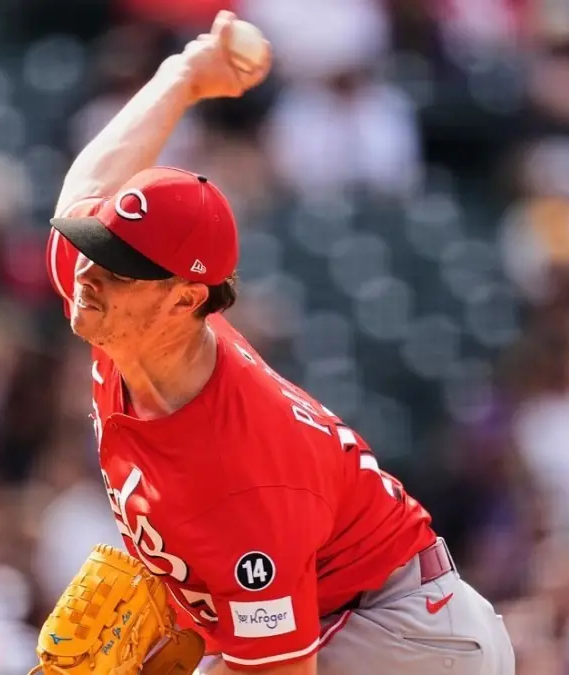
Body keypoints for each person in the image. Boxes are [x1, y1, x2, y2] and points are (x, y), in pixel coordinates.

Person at [43, 11, 516, 675]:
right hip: (332, 613)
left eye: (116, 268)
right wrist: (183, 78)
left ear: (184, 300)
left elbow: (279, 671)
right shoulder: (122, 316)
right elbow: (87, 187)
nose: (86, 274)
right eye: (95, 247)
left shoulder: (242, 472)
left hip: (405, 634)